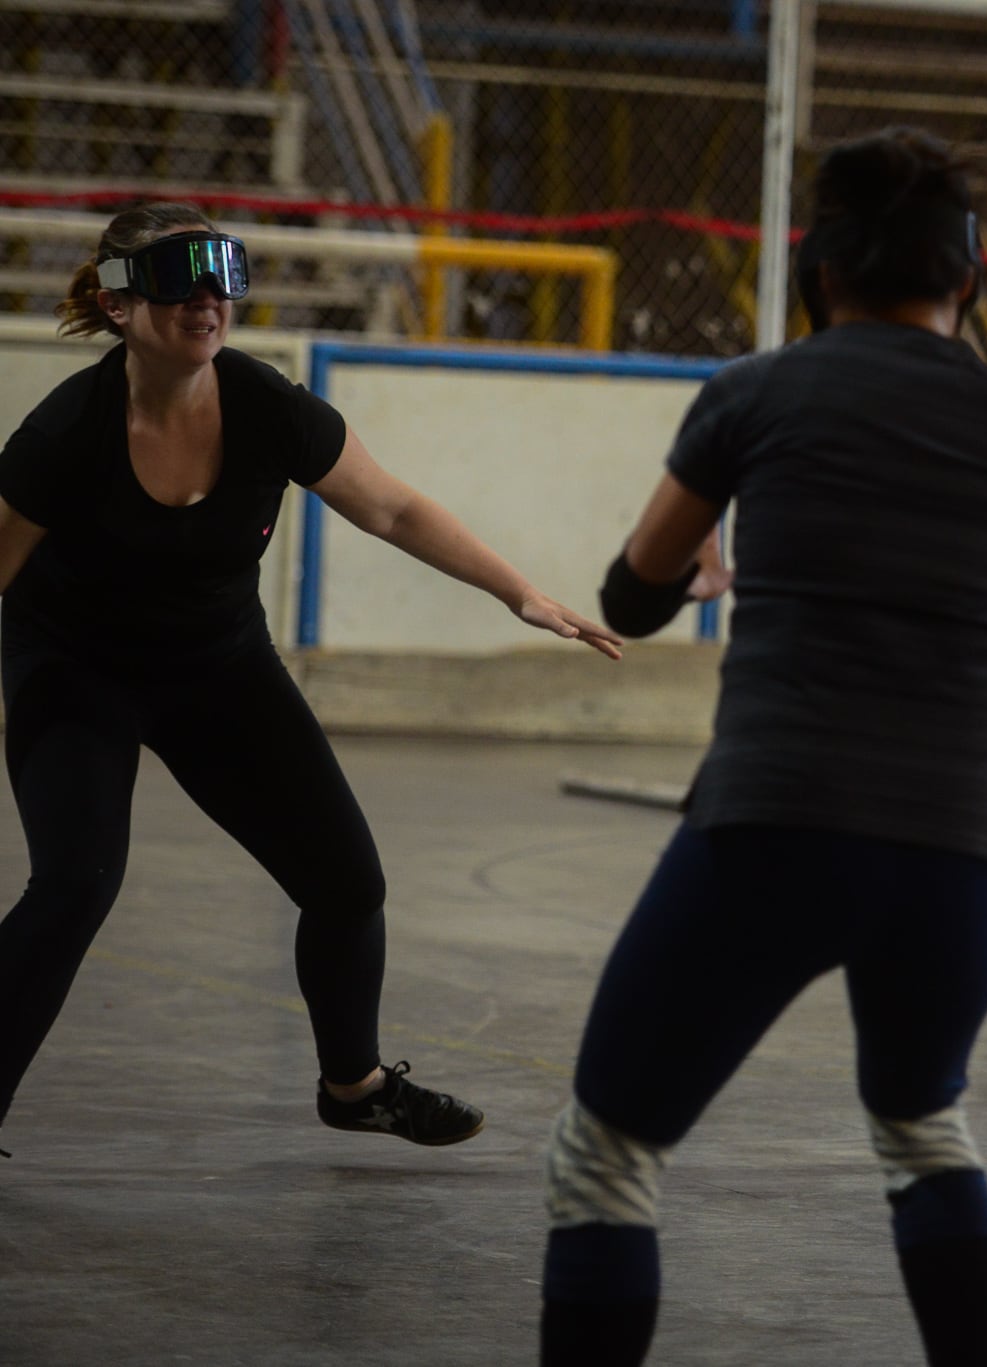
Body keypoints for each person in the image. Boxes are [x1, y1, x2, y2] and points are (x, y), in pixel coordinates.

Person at [539, 127, 987, 1367]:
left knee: (607, 1153)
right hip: (965, 848)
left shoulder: (756, 392)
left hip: (778, 818)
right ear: (968, 271)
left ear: (820, 271)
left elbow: (631, 596)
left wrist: (701, 567)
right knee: (921, 1127)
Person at [0, 203, 623, 1156]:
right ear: (121, 305)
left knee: (346, 881)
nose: (207, 299)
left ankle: (355, 1085)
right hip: (76, 670)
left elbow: (397, 510)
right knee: (75, 883)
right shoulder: (64, 433)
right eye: (178, 278)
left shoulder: (266, 406)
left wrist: (520, 594)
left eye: (222, 274)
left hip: (216, 666)